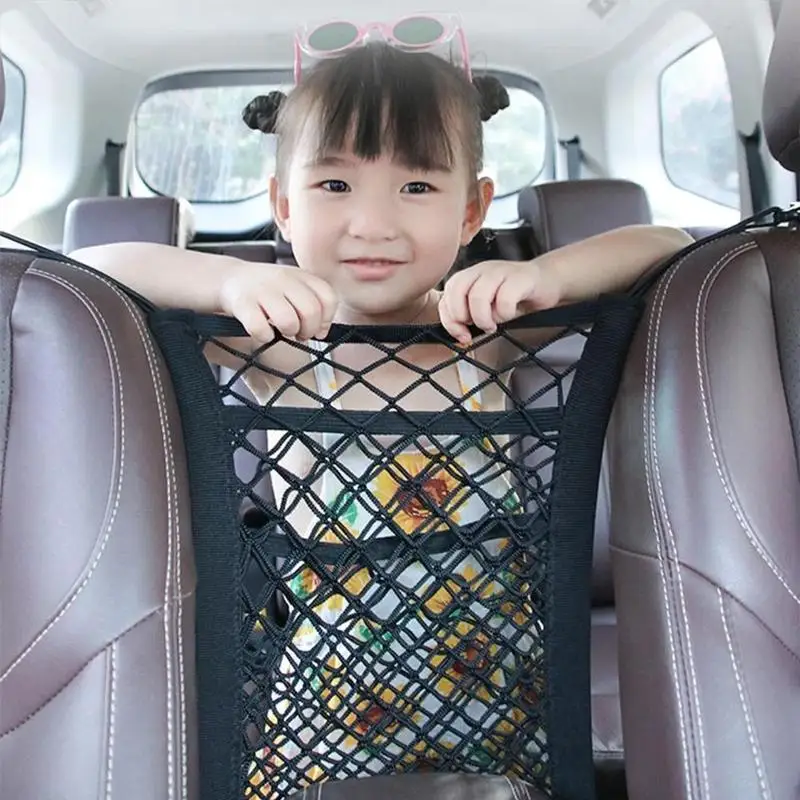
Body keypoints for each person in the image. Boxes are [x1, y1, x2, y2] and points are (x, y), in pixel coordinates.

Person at [73, 25, 694, 797]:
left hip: (497, 697)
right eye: (335, 186)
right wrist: (227, 283)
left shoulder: (484, 337)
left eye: (417, 187)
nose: (374, 223)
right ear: (282, 206)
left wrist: (548, 278)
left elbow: (666, 242)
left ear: (472, 212)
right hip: (327, 707)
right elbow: (91, 268)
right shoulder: (282, 346)